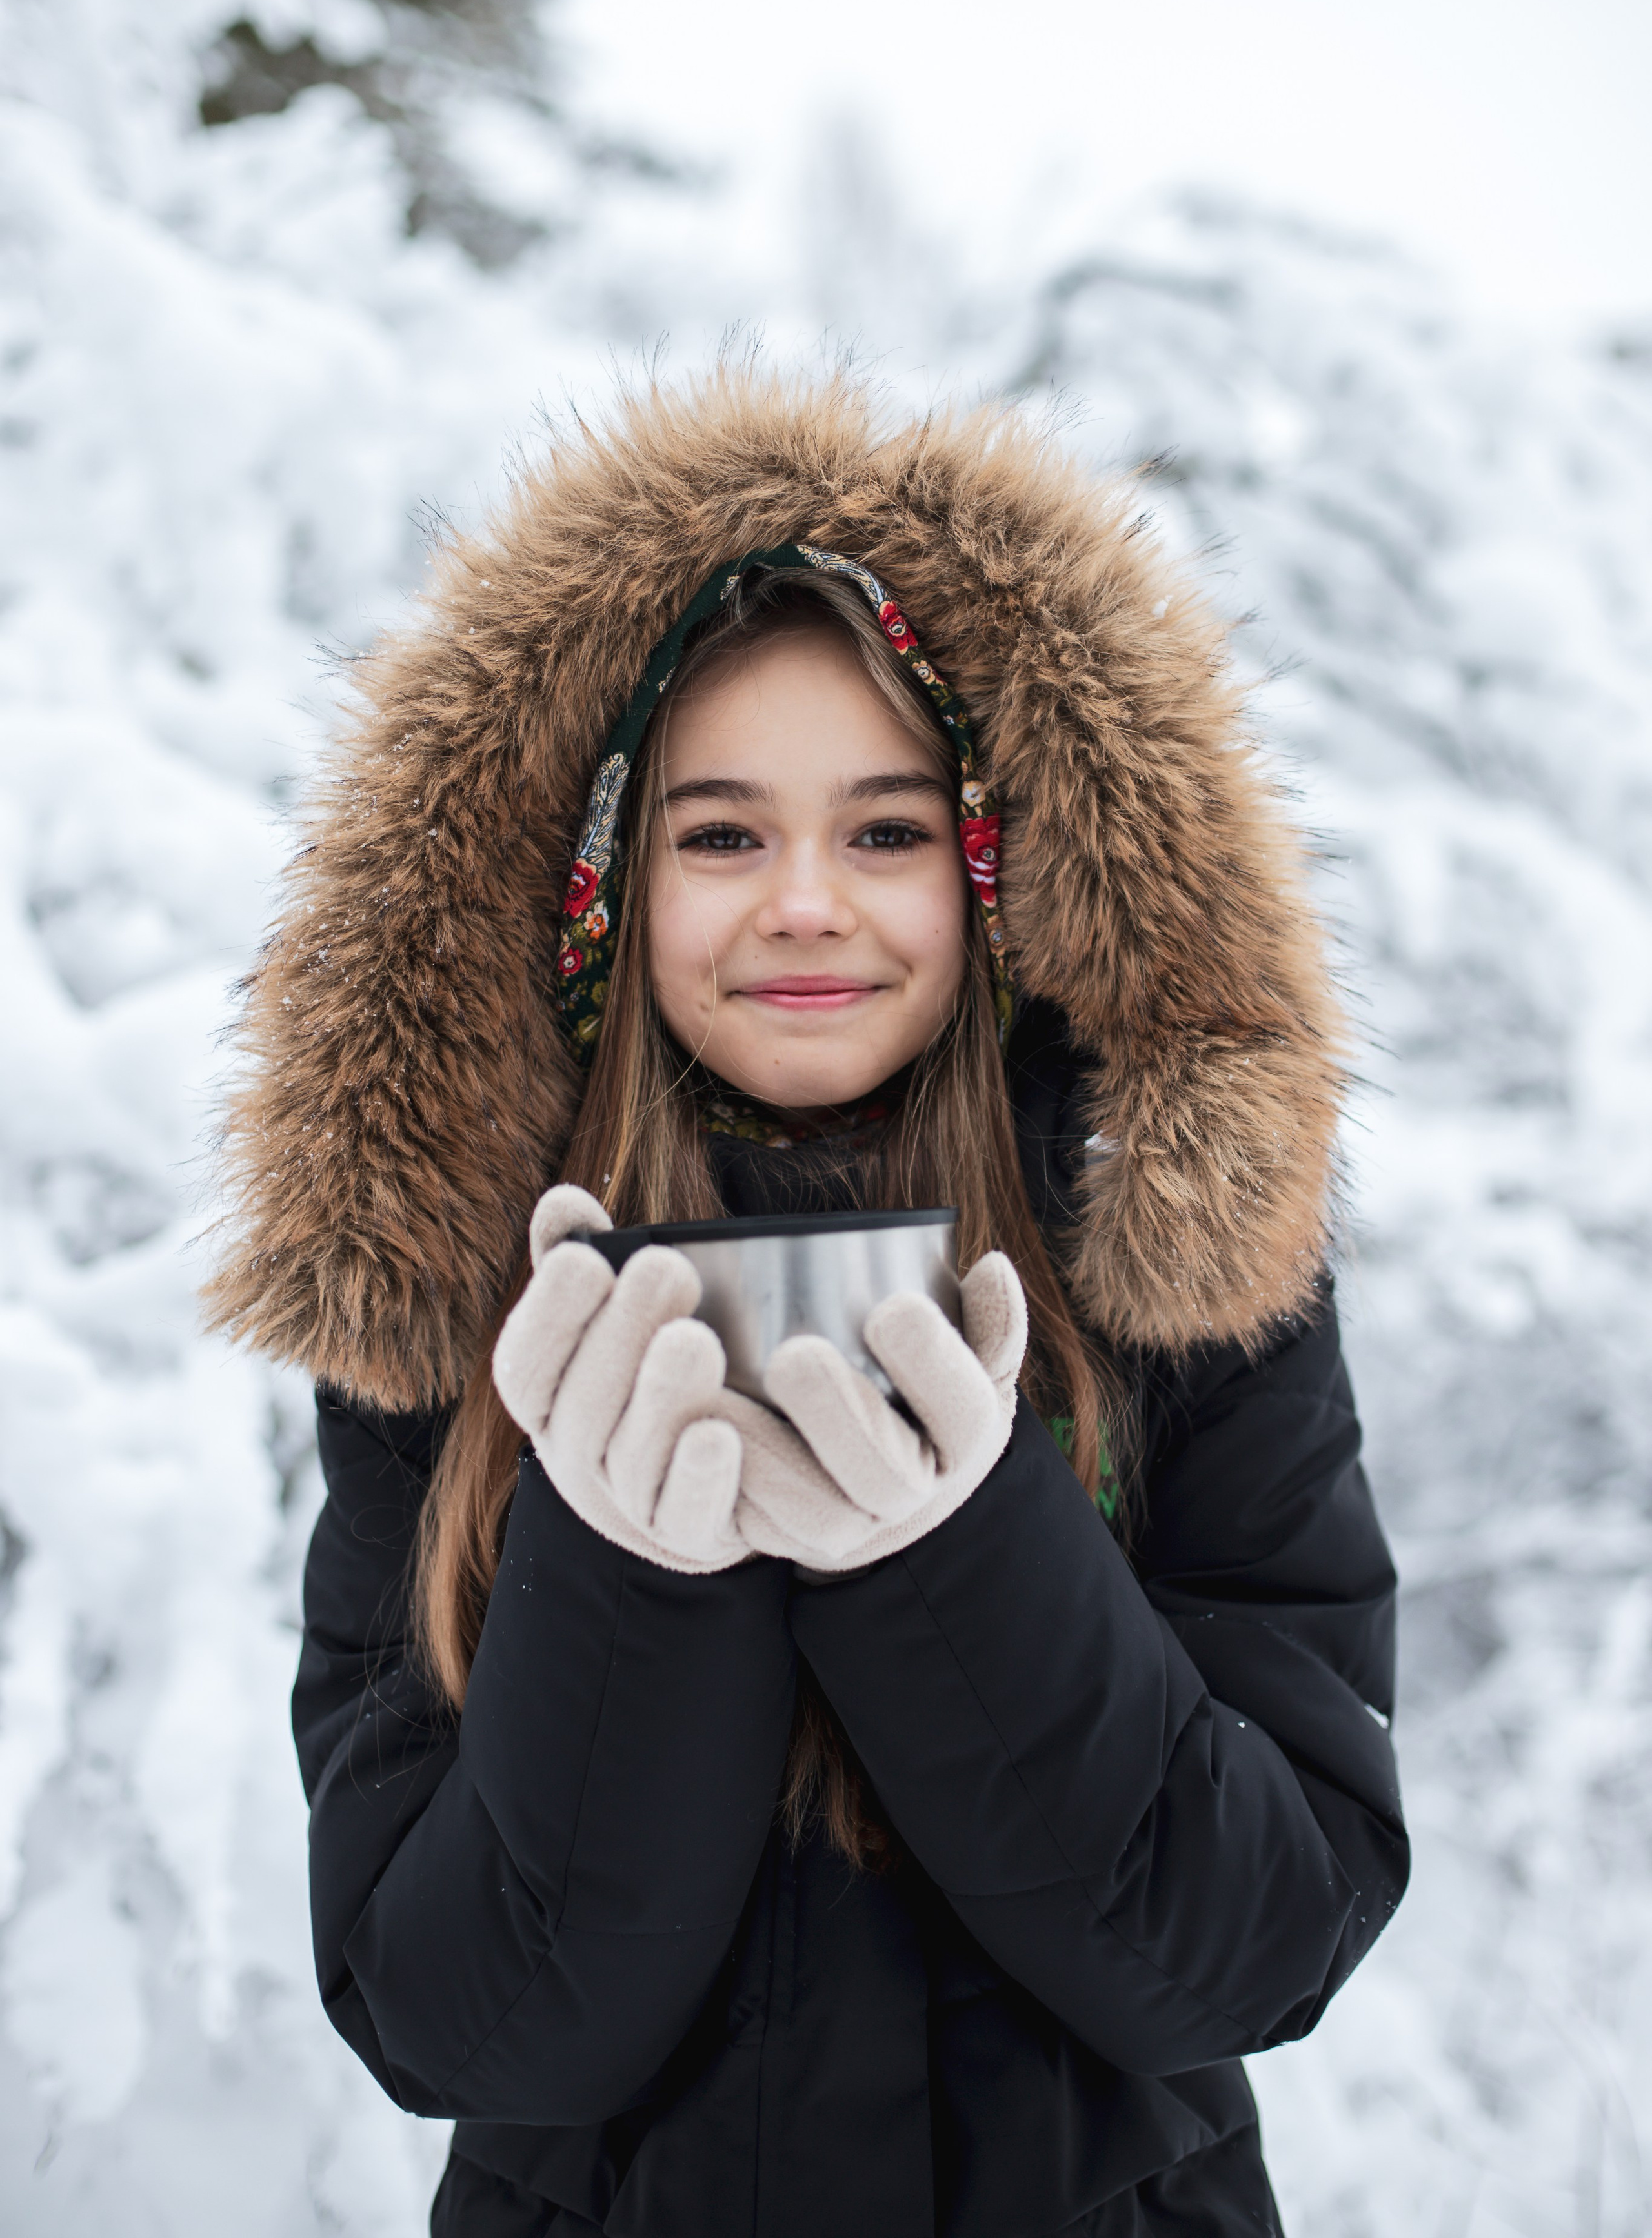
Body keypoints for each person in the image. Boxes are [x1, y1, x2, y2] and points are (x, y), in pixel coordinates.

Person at [206, 370, 1407, 2237]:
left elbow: (1252, 1955)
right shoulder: (460, 1299)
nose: (805, 907)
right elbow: (462, 2029)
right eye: (720, 836)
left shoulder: (1169, 1267)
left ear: (992, 870)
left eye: (884, 831)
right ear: (605, 885)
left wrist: (962, 1554)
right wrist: (615, 1566)